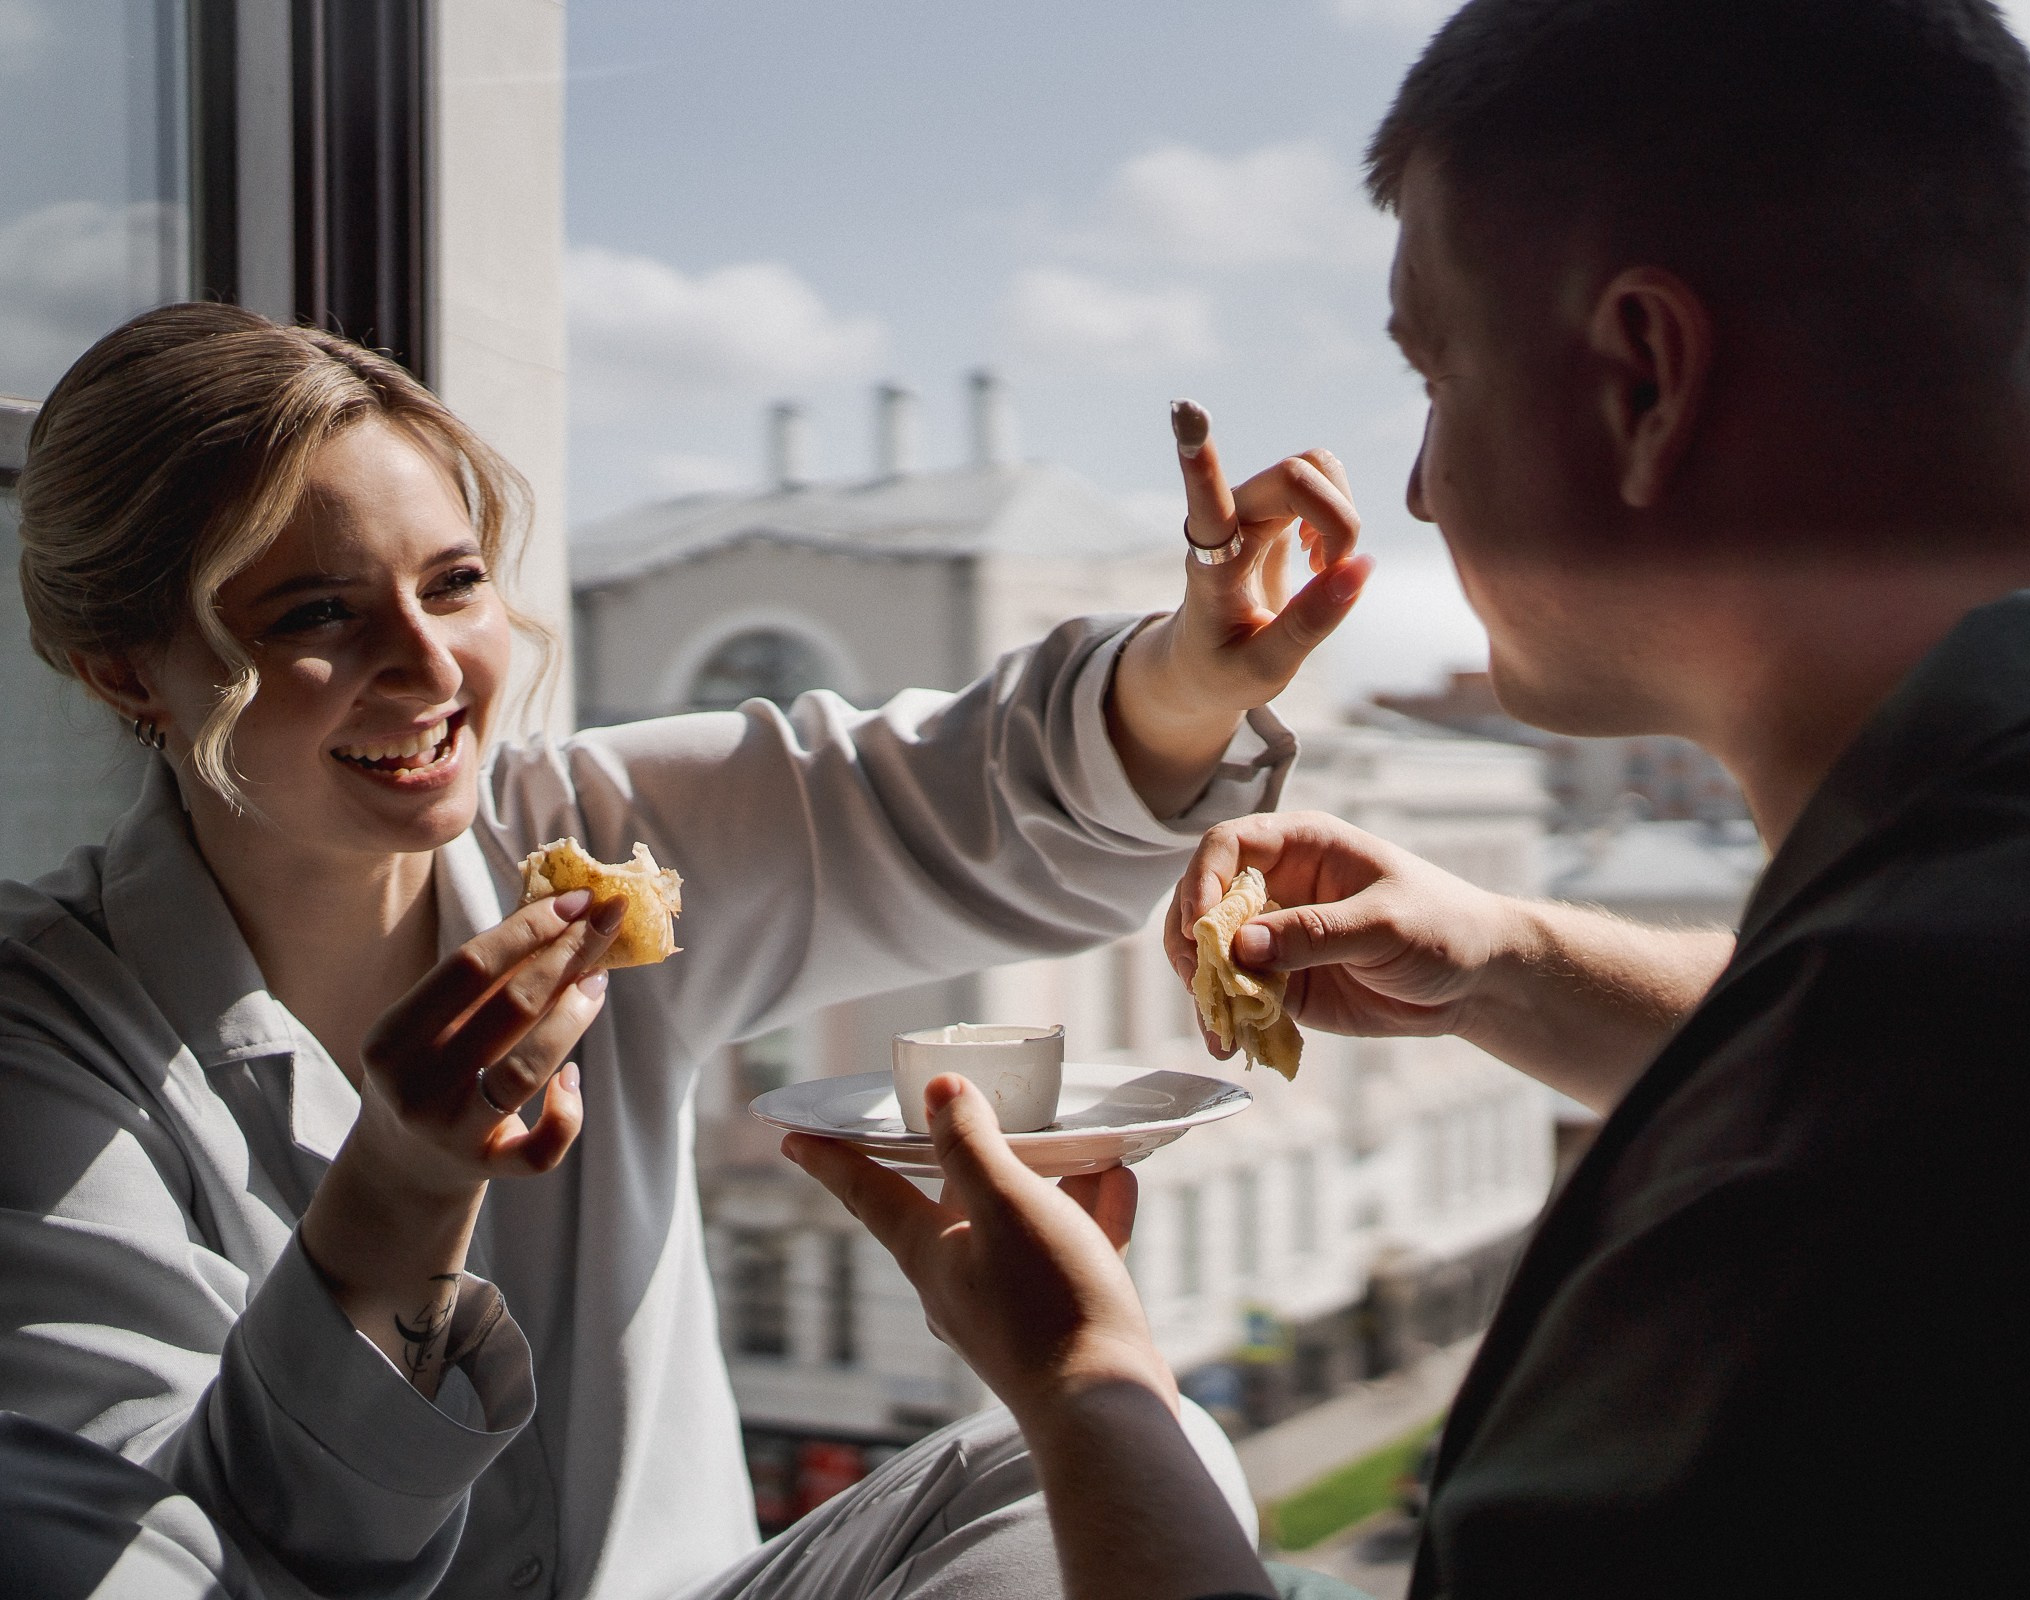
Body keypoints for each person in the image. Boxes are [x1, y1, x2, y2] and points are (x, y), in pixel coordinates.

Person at [784, 0, 2030, 1595]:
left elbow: (1890, 1085)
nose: (1418, 486)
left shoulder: (1786, 1247)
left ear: (1644, 380)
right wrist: (1517, 964)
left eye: (1437, 369)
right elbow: (1991, 1053)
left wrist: (1086, 1388)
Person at [0, 301, 1372, 1598]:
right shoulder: (44, 1033)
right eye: (315, 614)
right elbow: (153, 1562)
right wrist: (402, 1196)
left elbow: (952, 800)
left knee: (1123, 1439)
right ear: (127, 669)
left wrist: (1193, 677)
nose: (429, 668)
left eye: (456, 582)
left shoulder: (597, 832)